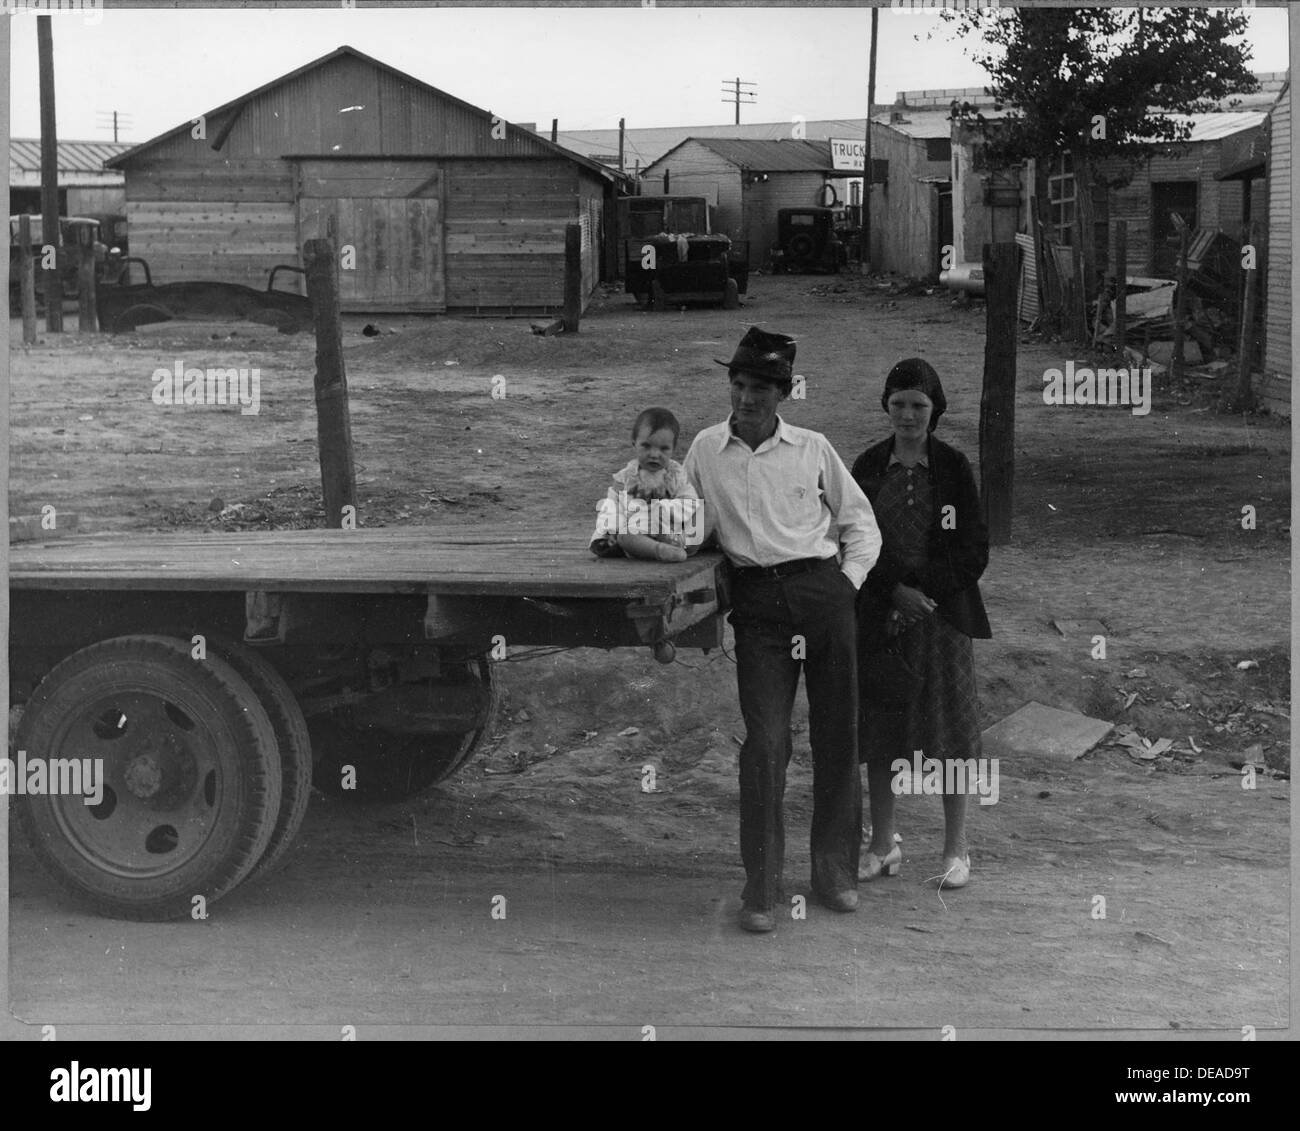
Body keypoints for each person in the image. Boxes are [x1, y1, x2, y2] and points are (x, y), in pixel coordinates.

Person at [684, 327, 882, 933]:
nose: (748, 399)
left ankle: (836, 874)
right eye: (740, 385)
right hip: (760, 607)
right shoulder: (705, 450)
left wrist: (845, 585)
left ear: (783, 393)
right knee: (767, 743)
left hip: (823, 597)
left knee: (837, 737)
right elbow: (686, 525)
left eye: (762, 389)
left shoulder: (813, 448)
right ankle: (761, 888)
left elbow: (861, 526)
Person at [850, 358, 991, 890]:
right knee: (882, 731)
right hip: (884, 616)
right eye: (899, 404)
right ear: (886, 406)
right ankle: (882, 844)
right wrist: (893, 592)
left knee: (948, 733)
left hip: (942, 618)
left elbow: (973, 548)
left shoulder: (952, 467)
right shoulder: (867, 467)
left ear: (935, 411)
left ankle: (956, 848)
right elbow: (851, 536)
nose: (908, 415)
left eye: (919, 406)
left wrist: (925, 593)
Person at [589, 407, 703, 562]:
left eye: (664, 449)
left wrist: (664, 508)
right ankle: (660, 551)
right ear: (634, 444)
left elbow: (690, 502)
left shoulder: (676, 475)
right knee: (625, 536)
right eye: (646, 446)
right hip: (639, 530)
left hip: (671, 530)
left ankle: (685, 545)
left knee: (707, 510)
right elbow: (611, 506)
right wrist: (614, 528)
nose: (654, 454)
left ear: (673, 449)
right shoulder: (626, 477)